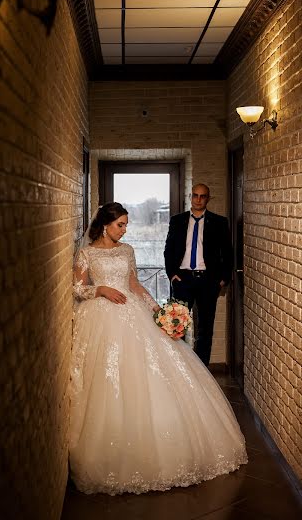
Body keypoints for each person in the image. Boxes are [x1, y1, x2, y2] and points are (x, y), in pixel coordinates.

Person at [70, 202, 246, 496]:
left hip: (132, 311)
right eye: (120, 225)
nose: (125, 230)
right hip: (102, 316)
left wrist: (159, 312)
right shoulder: (87, 253)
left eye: (126, 225)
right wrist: (99, 289)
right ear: (104, 225)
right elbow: (76, 288)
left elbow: (135, 284)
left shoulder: (127, 250)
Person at [164, 183, 232, 367]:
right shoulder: (177, 221)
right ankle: (179, 368)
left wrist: (223, 279)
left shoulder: (219, 222)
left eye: (203, 196)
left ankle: (202, 372)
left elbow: (227, 253)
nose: (199, 199)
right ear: (190, 197)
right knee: (176, 326)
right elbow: (169, 250)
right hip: (182, 280)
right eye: (195, 195)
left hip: (208, 282)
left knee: (205, 328)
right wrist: (172, 275)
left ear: (208, 198)